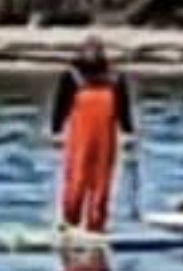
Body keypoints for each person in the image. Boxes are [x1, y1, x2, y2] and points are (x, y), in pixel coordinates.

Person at [50, 35, 137, 233]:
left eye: (96, 50)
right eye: (89, 50)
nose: (92, 54)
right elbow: (60, 104)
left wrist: (128, 132)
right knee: (77, 179)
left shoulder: (115, 78)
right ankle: (69, 221)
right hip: (80, 137)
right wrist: (56, 130)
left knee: (102, 182)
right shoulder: (72, 76)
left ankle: (96, 225)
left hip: (106, 137)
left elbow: (123, 108)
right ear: (81, 53)